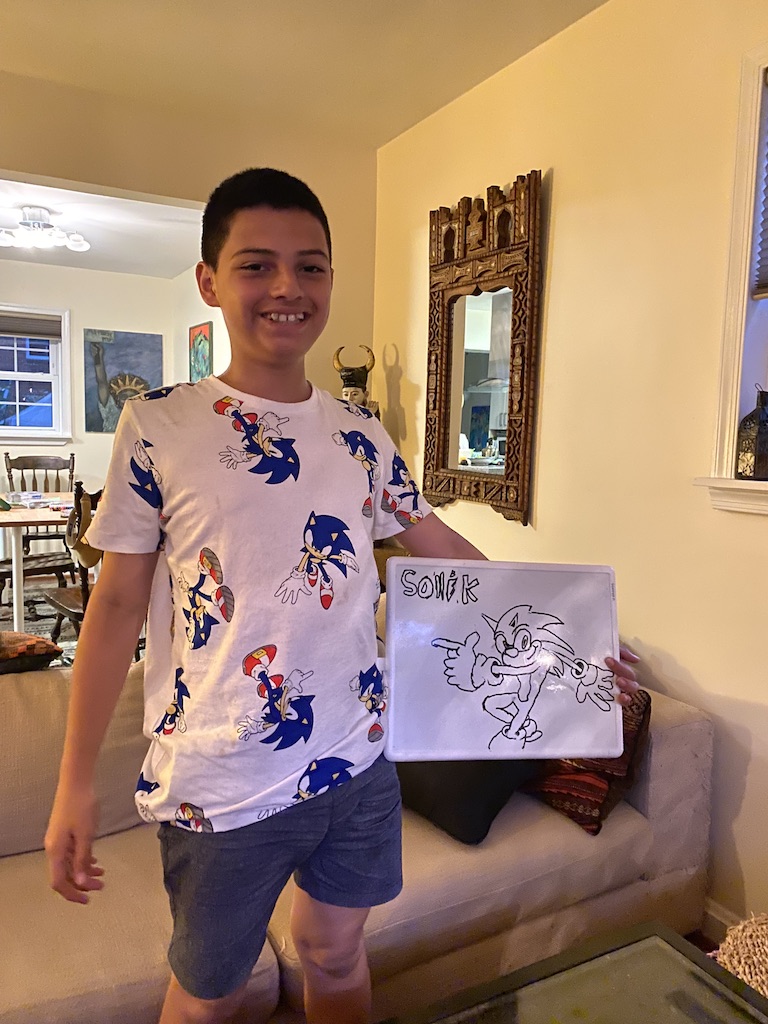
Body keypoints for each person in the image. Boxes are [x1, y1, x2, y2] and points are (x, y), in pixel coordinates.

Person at [45, 168, 639, 1024]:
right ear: (210, 281)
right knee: (210, 999)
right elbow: (111, 614)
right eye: (257, 265)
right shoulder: (159, 426)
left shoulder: (360, 434)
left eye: (311, 266)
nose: (287, 288)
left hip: (359, 765)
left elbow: (445, 554)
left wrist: (577, 647)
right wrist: (74, 784)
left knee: (335, 953)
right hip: (221, 783)